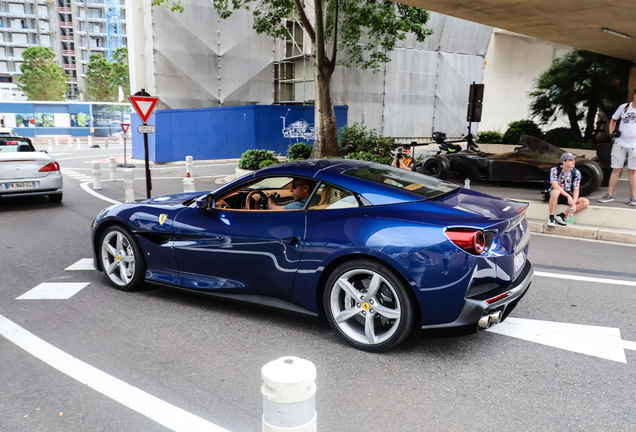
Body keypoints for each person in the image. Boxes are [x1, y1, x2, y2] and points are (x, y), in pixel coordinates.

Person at [598, 88, 636, 206]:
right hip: (620, 142)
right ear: (635, 95)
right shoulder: (624, 107)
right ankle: (609, 194)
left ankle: (633, 197)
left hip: (634, 144)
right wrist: (611, 134)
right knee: (615, 169)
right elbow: (613, 119)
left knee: (633, 171)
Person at [547, 152, 590, 226]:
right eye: (570, 160)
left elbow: (576, 188)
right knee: (556, 192)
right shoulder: (555, 170)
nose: (573, 162)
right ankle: (551, 218)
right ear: (564, 162)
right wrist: (568, 196)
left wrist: (574, 202)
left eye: (573, 160)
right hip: (556, 195)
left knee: (585, 202)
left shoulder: (576, 172)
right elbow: (555, 186)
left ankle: (561, 215)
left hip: (568, 194)